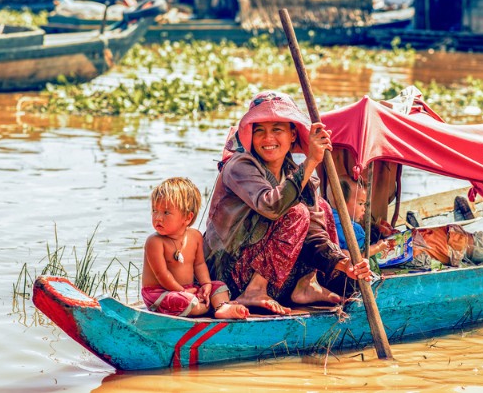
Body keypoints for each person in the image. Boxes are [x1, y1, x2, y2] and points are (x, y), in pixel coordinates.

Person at [203, 91, 372, 315]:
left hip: (274, 272)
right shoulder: (240, 166)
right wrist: (312, 159)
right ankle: (255, 290)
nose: (268, 139)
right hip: (229, 276)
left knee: (321, 208)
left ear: (292, 135)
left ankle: (307, 284)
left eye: (277, 130)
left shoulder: (298, 174)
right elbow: (271, 206)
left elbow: (314, 235)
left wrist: (343, 263)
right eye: (259, 131)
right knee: (298, 212)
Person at [142, 177, 249, 319]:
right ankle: (208, 307)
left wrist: (206, 285)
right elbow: (162, 275)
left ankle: (221, 307)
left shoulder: (195, 237)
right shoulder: (154, 242)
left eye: (166, 212)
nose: (158, 218)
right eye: (155, 210)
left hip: (187, 289)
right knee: (184, 301)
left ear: (187, 218)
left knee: (219, 286)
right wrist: (182, 291)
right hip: (160, 292)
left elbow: (199, 264)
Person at [329, 176, 396, 265]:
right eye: (360, 203)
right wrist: (378, 247)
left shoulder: (328, 217)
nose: (364, 208)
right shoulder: (352, 227)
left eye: (364, 204)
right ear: (341, 201)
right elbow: (360, 255)